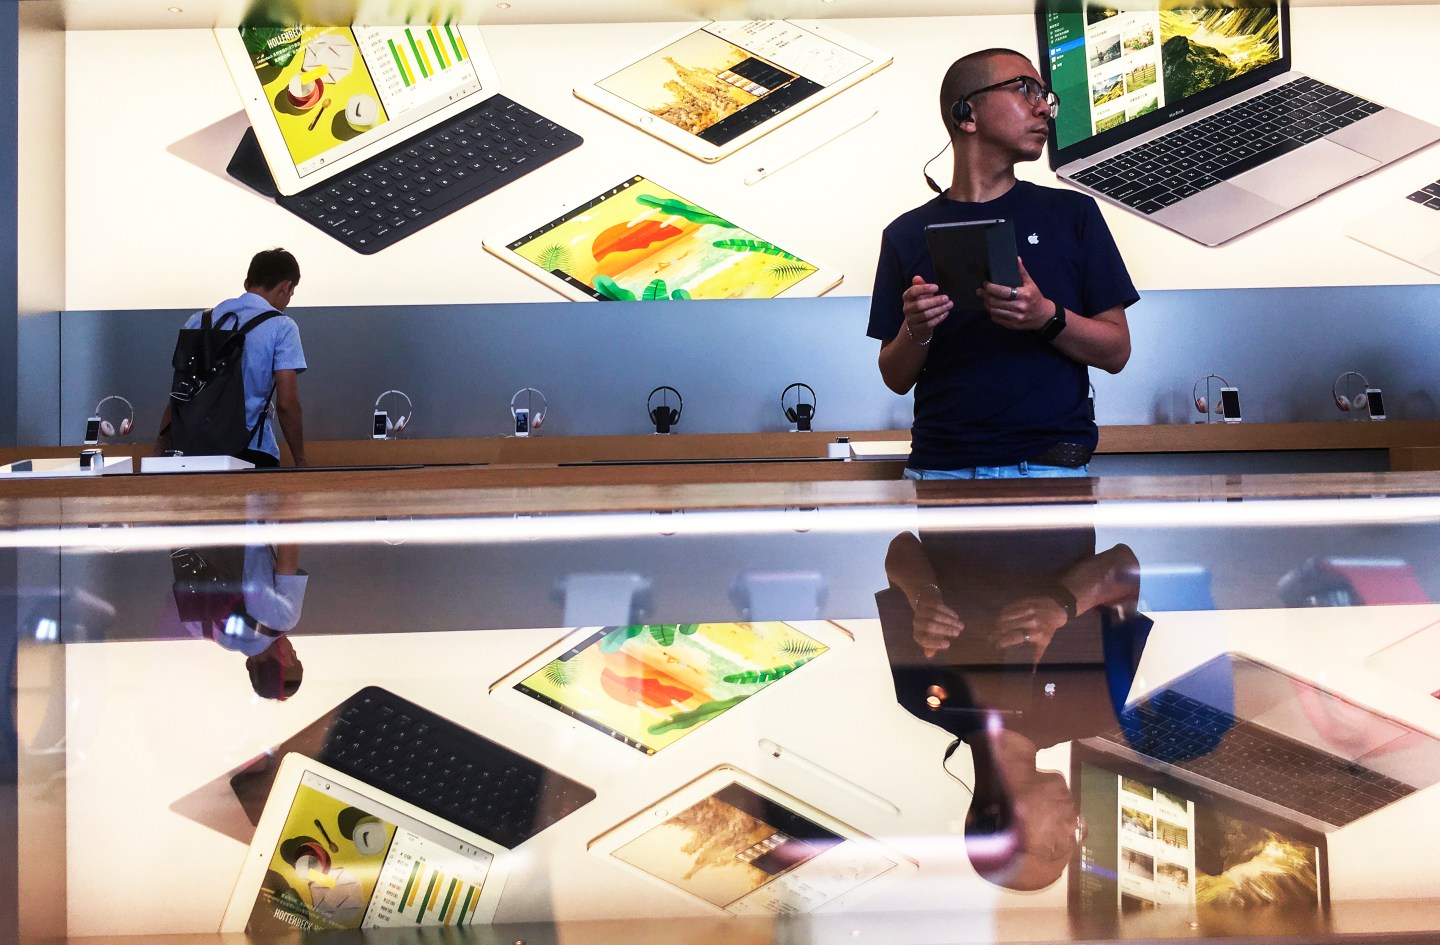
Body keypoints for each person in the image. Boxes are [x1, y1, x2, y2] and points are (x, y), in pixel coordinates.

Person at [869, 48, 1139, 479]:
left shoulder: (1073, 214)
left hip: (1051, 468)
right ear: (966, 115)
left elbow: (1117, 351)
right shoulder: (904, 234)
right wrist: (916, 330)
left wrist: (1044, 316)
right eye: (1025, 89)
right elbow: (894, 376)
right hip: (940, 470)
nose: (1043, 108)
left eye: (1045, 96)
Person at [876, 522, 1150, 891]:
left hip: (951, 487)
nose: (1074, 825)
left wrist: (924, 598)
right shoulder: (1092, 711)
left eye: (1054, 845)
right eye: (1075, 838)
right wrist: (1062, 606)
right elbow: (1124, 566)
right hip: (1055, 484)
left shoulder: (922, 698)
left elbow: (901, 549)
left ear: (991, 821)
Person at [157, 248, 307, 467]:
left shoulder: (198, 321)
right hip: (251, 450)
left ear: (247, 283)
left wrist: (159, 449)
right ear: (286, 287)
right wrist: (301, 461)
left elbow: (179, 394)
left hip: (191, 451)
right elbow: (286, 403)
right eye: (291, 293)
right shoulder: (282, 326)